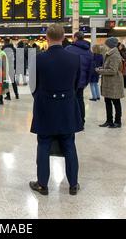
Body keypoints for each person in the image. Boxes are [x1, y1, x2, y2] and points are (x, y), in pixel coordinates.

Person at [29, 24, 83, 196]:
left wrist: (40, 96)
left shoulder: (38, 59)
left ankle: (42, 184)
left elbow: (33, 85)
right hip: (67, 106)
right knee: (69, 144)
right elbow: (77, 84)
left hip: (45, 106)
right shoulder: (75, 59)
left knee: (43, 144)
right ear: (63, 37)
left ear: (47, 38)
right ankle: (73, 184)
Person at [65, 31, 93, 128]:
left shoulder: (68, 49)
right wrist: (86, 81)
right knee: (80, 100)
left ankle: (71, 120)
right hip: (82, 81)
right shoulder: (88, 51)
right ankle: (81, 121)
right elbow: (90, 68)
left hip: (70, 80)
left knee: (69, 100)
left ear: (76, 38)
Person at [96, 37, 124, 129]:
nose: (105, 46)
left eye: (106, 44)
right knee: (107, 101)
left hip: (114, 83)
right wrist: (102, 68)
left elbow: (113, 70)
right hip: (109, 83)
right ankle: (109, 120)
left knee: (116, 102)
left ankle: (117, 121)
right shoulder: (110, 54)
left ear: (109, 45)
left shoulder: (114, 55)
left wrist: (100, 71)